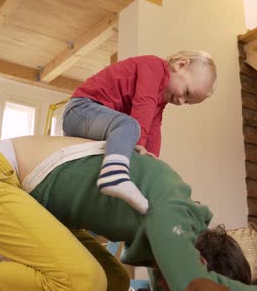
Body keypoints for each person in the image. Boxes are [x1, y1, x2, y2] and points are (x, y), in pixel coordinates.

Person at [0, 135, 257, 291]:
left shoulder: (170, 238)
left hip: (30, 199)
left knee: (114, 281)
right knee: (83, 279)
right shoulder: (173, 213)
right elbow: (194, 285)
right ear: (201, 260)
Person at [62, 51, 217, 214]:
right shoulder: (154, 66)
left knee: (132, 145)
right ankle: (114, 178)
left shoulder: (160, 101)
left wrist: (153, 163)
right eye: (186, 92)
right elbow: (143, 104)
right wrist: (139, 145)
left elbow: (154, 130)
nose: (181, 101)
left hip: (96, 123)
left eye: (187, 102)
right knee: (130, 126)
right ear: (180, 65)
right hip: (81, 110)